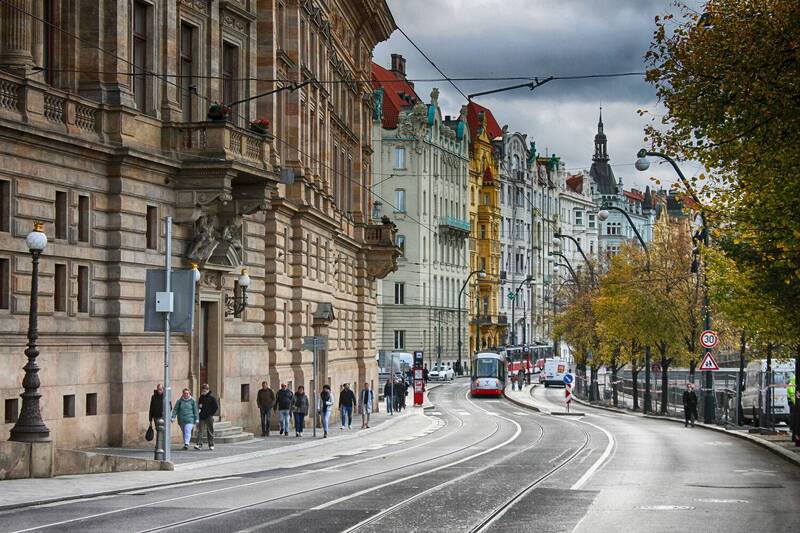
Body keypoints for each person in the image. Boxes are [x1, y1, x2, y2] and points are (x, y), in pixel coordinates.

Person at [195, 384, 218, 450]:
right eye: (202, 390)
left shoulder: (212, 398)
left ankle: (211, 444)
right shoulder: (201, 397)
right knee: (200, 431)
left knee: (210, 431)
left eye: (205, 390)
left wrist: (210, 413)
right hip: (202, 416)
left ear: (207, 390)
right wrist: (199, 407)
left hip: (209, 416)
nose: (203, 391)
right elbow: (199, 405)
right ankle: (199, 444)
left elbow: (215, 407)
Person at [788, 375, 796, 442]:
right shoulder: (791, 385)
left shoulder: (792, 383)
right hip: (792, 402)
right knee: (793, 416)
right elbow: (792, 395)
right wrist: (796, 403)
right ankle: (792, 429)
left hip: (793, 402)